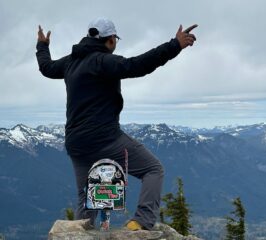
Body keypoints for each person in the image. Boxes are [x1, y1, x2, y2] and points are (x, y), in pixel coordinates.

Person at [36, 17, 197, 230]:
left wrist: (42, 46)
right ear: (110, 39)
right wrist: (174, 45)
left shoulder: (71, 61)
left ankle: (79, 233)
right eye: (116, 39)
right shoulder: (102, 61)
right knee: (153, 169)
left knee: (86, 195)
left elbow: (47, 68)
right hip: (104, 138)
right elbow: (137, 65)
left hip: (76, 142)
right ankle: (140, 222)